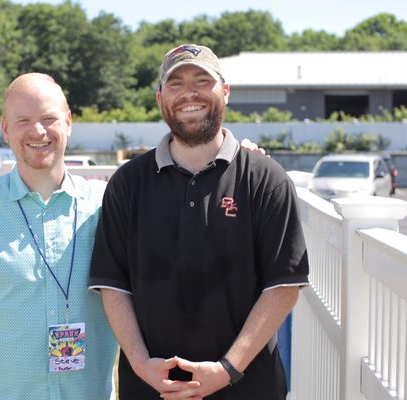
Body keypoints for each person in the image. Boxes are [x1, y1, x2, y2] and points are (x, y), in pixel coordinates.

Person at [89, 44, 310, 399]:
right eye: (175, 84)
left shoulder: (266, 179)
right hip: (150, 388)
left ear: (224, 91)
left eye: (201, 80)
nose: (188, 93)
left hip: (248, 387)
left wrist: (227, 369)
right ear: (161, 99)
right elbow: (114, 285)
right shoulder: (128, 183)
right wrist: (141, 363)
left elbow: (283, 286)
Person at [0, 73, 117, 400]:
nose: (38, 131)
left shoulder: (107, 205)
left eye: (48, 118)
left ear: (69, 122)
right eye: (23, 120)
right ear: (5, 129)